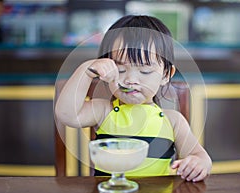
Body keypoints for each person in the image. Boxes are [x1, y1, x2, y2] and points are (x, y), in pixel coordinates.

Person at [55, 15, 212, 182]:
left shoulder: (173, 121)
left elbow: (200, 156)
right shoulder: (103, 111)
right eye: (120, 70)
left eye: (144, 71)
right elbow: (67, 115)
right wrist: (86, 70)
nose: (130, 80)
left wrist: (199, 163)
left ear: (166, 75)